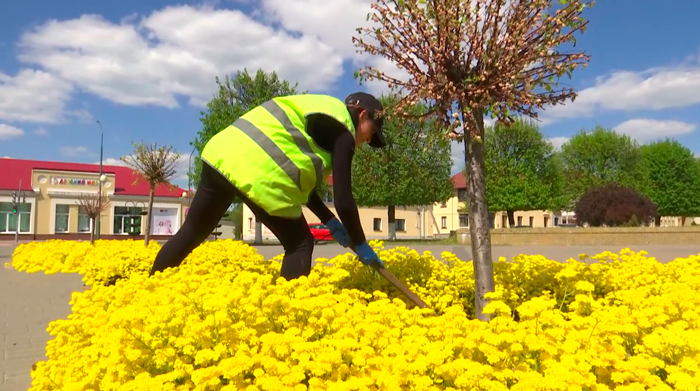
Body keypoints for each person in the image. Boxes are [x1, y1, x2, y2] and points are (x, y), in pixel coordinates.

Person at [149, 92, 387, 279]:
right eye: (372, 132)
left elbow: (307, 192)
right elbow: (344, 200)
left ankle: (150, 287)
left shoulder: (323, 110)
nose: (368, 140)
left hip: (222, 154)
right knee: (300, 244)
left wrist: (330, 221)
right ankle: (288, 317)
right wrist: (360, 242)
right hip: (256, 169)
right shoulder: (344, 129)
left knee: (193, 231)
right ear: (362, 115)